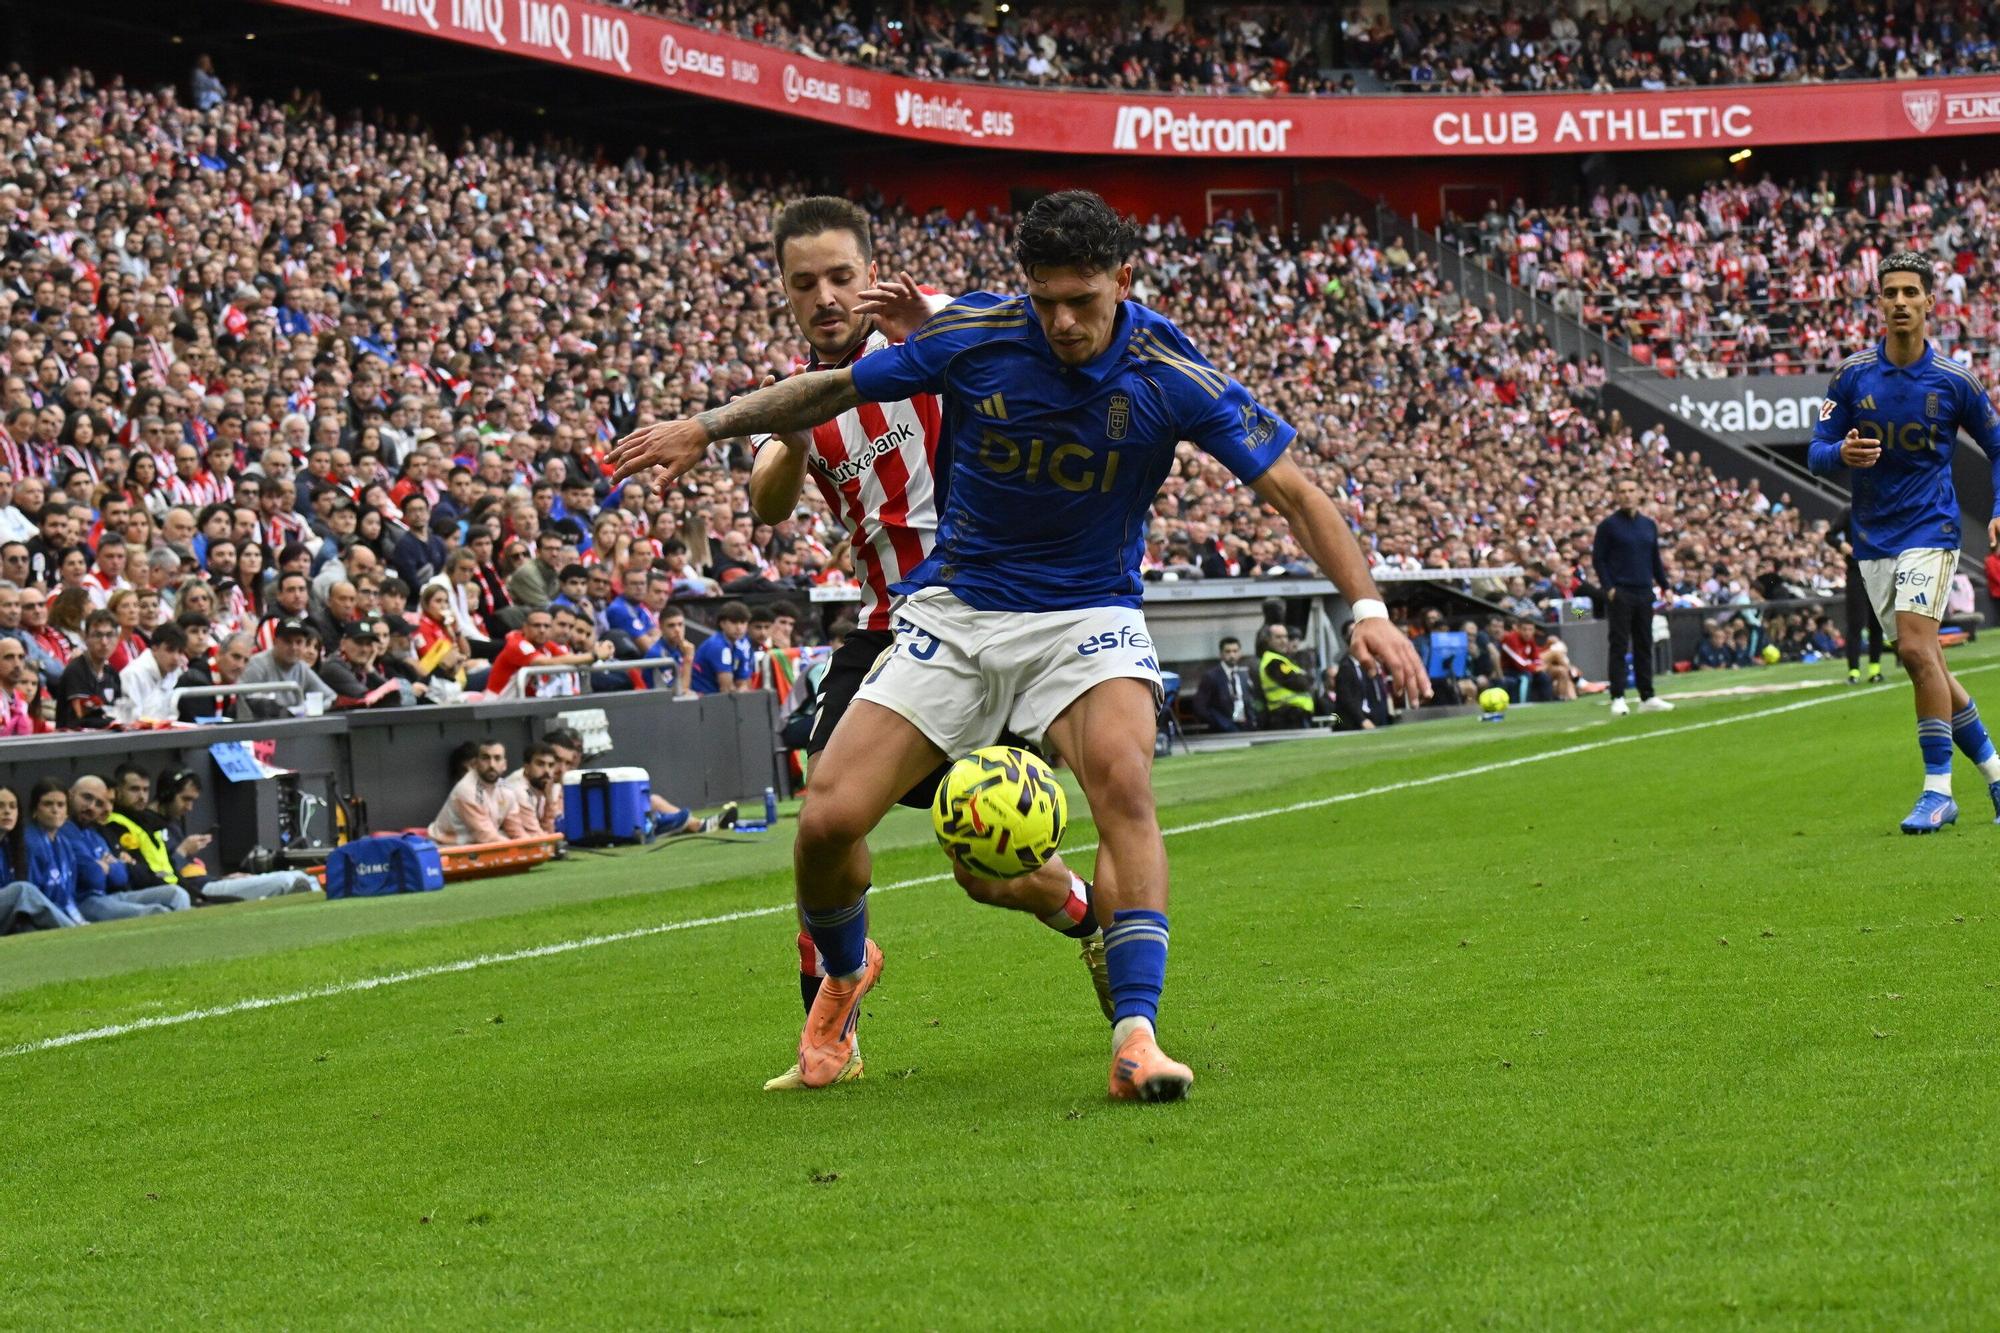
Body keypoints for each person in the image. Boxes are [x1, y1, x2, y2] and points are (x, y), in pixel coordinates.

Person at [608, 189, 1427, 1101]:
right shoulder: (983, 335)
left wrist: (1367, 610)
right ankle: (843, 972)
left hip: (1086, 616)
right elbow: (833, 386)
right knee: (828, 822)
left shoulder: (1169, 370)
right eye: (1047, 301)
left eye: (1084, 300)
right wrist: (707, 425)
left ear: (1123, 280)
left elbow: (1296, 494)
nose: (1064, 322)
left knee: (1122, 780)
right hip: (957, 610)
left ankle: (1136, 1036)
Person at [734, 197, 1111, 1086]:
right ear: (785, 294)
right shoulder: (808, 394)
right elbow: (768, 501)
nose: (826, 296)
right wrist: (789, 442)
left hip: (986, 617)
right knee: (825, 824)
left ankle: (1091, 918)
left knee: (984, 871)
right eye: (804, 283)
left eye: (839, 276)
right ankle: (837, 1015)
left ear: (871, 270)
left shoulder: (936, 333)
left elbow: (1028, 351)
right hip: (880, 630)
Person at [1807, 249, 2000, 833]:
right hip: (1873, 536)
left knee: (1918, 650)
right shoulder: (1852, 375)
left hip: (1931, 528)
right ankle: (1995, 774)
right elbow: (1815, 450)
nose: (1899, 302)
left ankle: (1937, 790)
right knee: (1927, 663)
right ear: (1878, 303)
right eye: (1889, 293)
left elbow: (1997, 448)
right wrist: (1841, 452)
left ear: (1929, 302)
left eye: (1909, 293)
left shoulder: (1955, 381)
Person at [147, 767, 315, 900]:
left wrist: (222, 879)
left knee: (302, 876)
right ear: (167, 794)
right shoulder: (146, 827)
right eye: (185, 799)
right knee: (286, 881)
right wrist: (182, 851)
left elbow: (192, 871)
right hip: (196, 891)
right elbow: (157, 876)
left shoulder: (171, 823)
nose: (189, 808)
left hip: (209, 882)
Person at [1592, 476, 1674, 716]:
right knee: (1618, 645)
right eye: (1622, 491)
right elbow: (1599, 559)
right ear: (1617, 496)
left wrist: (1664, 586)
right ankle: (1618, 696)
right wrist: (1609, 587)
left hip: (1644, 591)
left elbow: (1654, 559)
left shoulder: (1648, 525)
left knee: (1644, 644)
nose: (1627, 495)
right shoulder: (1608, 526)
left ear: (1639, 493)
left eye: (1631, 490)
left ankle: (1647, 695)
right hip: (1621, 592)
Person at [63, 774, 192, 919]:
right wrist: (107, 866)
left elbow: (121, 877)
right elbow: (92, 877)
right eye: (86, 798)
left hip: (112, 895)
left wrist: (107, 867)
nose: (91, 807)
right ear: (70, 795)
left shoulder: (93, 833)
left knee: (177, 894)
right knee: (156, 911)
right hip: (84, 901)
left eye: (98, 803)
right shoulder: (65, 831)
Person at [0, 783, 83, 931]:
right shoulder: (32, 842)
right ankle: (75, 933)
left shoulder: (11, 846)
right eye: (0, 806)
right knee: (23, 890)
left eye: (13, 806)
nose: (7, 812)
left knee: (28, 928)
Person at [1829, 505, 1886, 685]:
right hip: (1856, 571)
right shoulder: (1848, 512)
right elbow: (1829, 535)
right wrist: (1842, 545)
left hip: (1877, 570)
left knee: (1876, 622)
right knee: (1855, 623)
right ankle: (1853, 671)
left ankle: (1875, 669)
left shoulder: (1880, 510)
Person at [238, 618, 337, 713]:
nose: (293, 647)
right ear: (275, 642)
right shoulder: (258, 664)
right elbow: (242, 698)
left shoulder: (302, 667)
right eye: (287, 641)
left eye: (298, 642)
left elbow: (331, 697)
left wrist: (307, 709)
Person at [428, 739, 515, 845]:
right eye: (485, 758)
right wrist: (521, 848)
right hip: (448, 846)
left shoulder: (506, 788)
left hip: (476, 843)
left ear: (504, 764)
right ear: (476, 763)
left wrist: (527, 843)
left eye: (497, 758)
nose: (491, 764)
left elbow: (515, 827)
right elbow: (486, 836)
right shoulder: (467, 789)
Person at [54, 609, 122, 729]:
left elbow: (119, 710)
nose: (104, 642)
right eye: (98, 635)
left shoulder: (112, 673)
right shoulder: (76, 671)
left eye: (110, 635)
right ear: (85, 637)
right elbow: (83, 717)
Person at [116, 621, 189, 723]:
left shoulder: (177, 672)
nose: (176, 658)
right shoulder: (133, 674)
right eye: (170, 650)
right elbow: (132, 721)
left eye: (180, 652)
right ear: (154, 648)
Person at [179, 631, 254, 721]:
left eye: (246, 661)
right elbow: (204, 731)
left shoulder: (233, 687)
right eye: (236, 657)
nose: (240, 665)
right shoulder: (194, 680)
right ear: (219, 654)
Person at [1189, 635, 1258, 732]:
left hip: (1245, 726)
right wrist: (1219, 723)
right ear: (1221, 654)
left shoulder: (1243, 675)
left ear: (1240, 653)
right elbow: (1200, 706)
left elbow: (1249, 700)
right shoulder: (1211, 676)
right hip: (1223, 728)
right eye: (1228, 651)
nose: (1232, 655)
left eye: (1235, 651)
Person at [1256, 623, 1316, 729]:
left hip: (1293, 715)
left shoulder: (1283, 659)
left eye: (1285, 636)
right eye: (1278, 637)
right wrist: (1304, 677)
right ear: (1268, 640)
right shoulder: (1273, 661)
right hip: (1288, 716)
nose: (1284, 641)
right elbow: (1301, 683)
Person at [689, 601, 755, 695]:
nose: (739, 627)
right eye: (734, 622)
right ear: (722, 624)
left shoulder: (743, 644)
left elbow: (744, 681)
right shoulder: (717, 645)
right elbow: (726, 688)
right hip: (703, 698)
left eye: (743, 622)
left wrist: (743, 688)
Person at [498, 741, 562, 838]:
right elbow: (537, 837)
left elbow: (553, 830)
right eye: (540, 764)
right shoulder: (518, 790)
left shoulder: (548, 786)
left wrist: (549, 802)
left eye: (551, 765)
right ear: (527, 767)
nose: (547, 771)